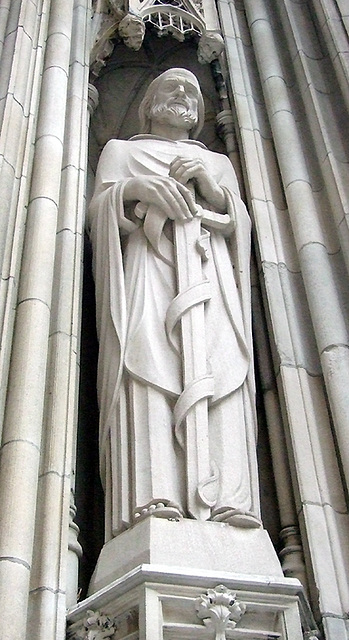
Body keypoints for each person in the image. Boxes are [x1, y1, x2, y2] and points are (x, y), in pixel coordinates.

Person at [88, 68, 261, 540]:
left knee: (221, 368)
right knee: (145, 362)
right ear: (148, 103)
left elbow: (239, 221)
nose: (183, 94)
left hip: (210, 276)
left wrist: (213, 190)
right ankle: (151, 495)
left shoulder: (217, 163)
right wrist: (133, 190)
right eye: (171, 87)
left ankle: (229, 500)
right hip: (151, 270)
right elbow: (98, 214)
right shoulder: (124, 152)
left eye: (191, 90)